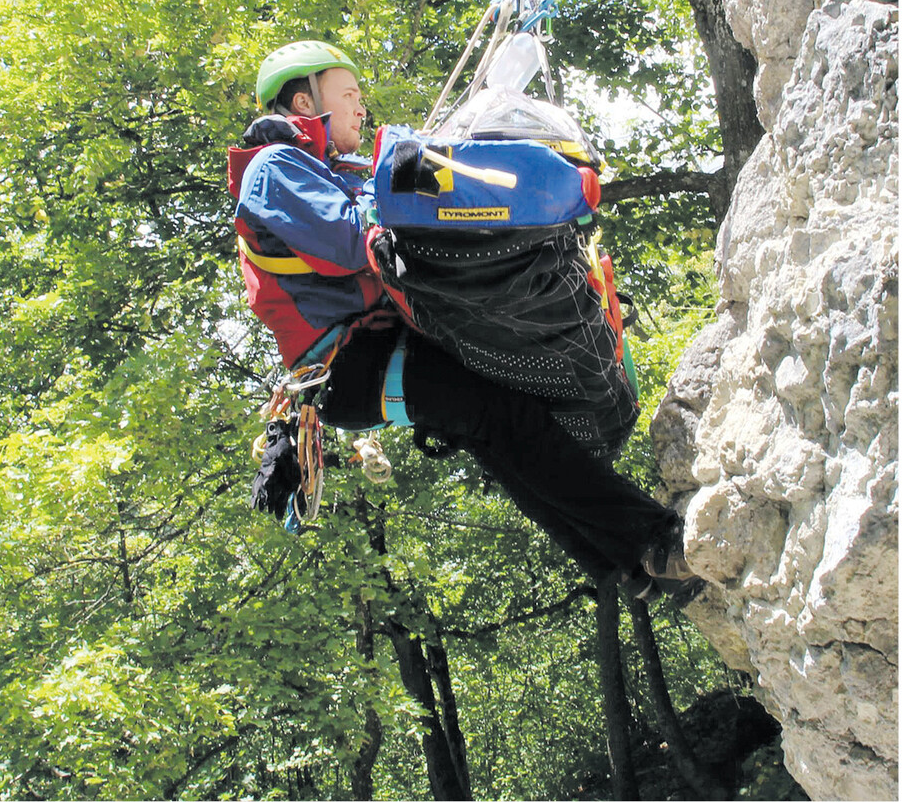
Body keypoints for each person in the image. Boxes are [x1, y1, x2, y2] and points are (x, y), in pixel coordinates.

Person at [227, 39, 698, 598]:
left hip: (372, 350)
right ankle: (655, 539)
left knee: (504, 431)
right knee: (500, 417)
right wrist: (416, 178)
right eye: (348, 94)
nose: (360, 107)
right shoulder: (274, 167)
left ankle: (626, 568)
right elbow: (353, 239)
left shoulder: (321, 167)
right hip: (349, 362)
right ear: (305, 102)